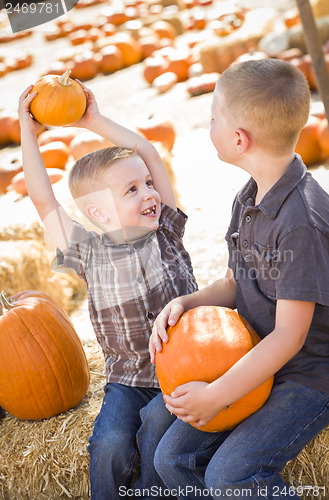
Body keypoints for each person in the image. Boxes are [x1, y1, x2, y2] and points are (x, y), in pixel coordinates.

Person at [149, 59, 329, 500]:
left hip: (306, 375)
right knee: (170, 459)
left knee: (230, 477)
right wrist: (188, 302)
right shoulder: (250, 196)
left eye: (213, 118)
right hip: (256, 360)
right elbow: (235, 281)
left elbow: (289, 337)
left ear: (238, 139)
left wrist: (216, 395)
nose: (207, 125)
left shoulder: (300, 221)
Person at [18, 82, 197, 499]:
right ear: (98, 212)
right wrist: (29, 133)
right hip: (127, 377)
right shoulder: (88, 253)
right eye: (132, 190)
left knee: (156, 426)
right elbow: (44, 201)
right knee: (109, 444)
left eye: (148, 184)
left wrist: (93, 120)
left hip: (186, 367)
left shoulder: (166, 231)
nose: (150, 193)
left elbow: (150, 152)